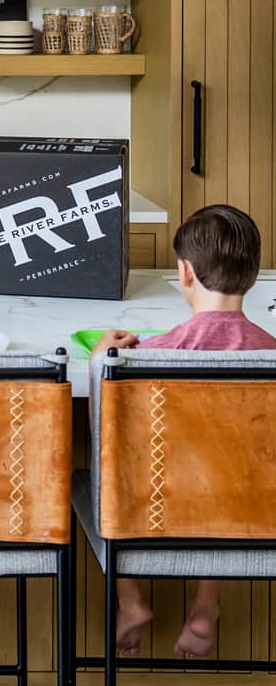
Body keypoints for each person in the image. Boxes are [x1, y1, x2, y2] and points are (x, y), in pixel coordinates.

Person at [93, 204, 276, 661]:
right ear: (252, 276)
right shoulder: (270, 353)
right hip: (247, 515)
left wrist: (100, 358)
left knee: (99, 477)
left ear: (185, 273)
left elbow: (106, 422)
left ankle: (129, 599)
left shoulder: (151, 353)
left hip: (155, 512)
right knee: (229, 474)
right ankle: (206, 605)